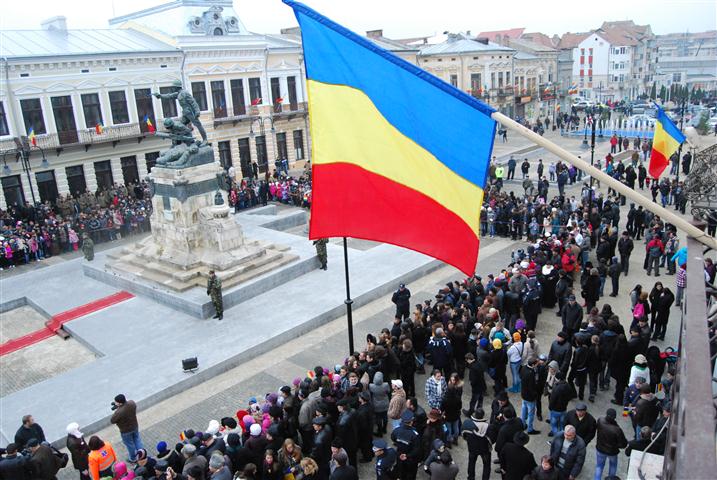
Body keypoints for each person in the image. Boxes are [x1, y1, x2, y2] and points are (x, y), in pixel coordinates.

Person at [593, 409, 628, 480]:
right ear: (615, 417)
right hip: (612, 452)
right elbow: (623, 445)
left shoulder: (600, 420)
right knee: (613, 466)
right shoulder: (617, 430)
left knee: (599, 466)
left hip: (600, 449)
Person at [110, 394, 144, 464]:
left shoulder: (118, 412)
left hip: (125, 431)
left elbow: (112, 421)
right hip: (134, 426)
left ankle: (133, 458)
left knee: (130, 444)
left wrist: (118, 408)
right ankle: (142, 454)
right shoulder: (132, 403)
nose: (115, 403)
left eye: (116, 402)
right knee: (137, 440)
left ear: (119, 403)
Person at [462, 408, 492, 480]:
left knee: (471, 463)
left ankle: (471, 478)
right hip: (484, 450)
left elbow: (464, 435)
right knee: (486, 465)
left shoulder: (467, 423)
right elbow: (491, 439)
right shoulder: (487, 426)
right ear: (483, 416)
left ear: (475, 414)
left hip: (472, 448)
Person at [520, 358, 541, 435]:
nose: (537, 364)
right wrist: (535, 395)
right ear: (533, 365)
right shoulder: (531, 373)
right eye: (536, 364)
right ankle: (530, 429)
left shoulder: (523, 368)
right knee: (531, 414)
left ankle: (522, 425)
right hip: (530, 397)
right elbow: (531, 387)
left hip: (523, 395)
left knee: (523, 411)